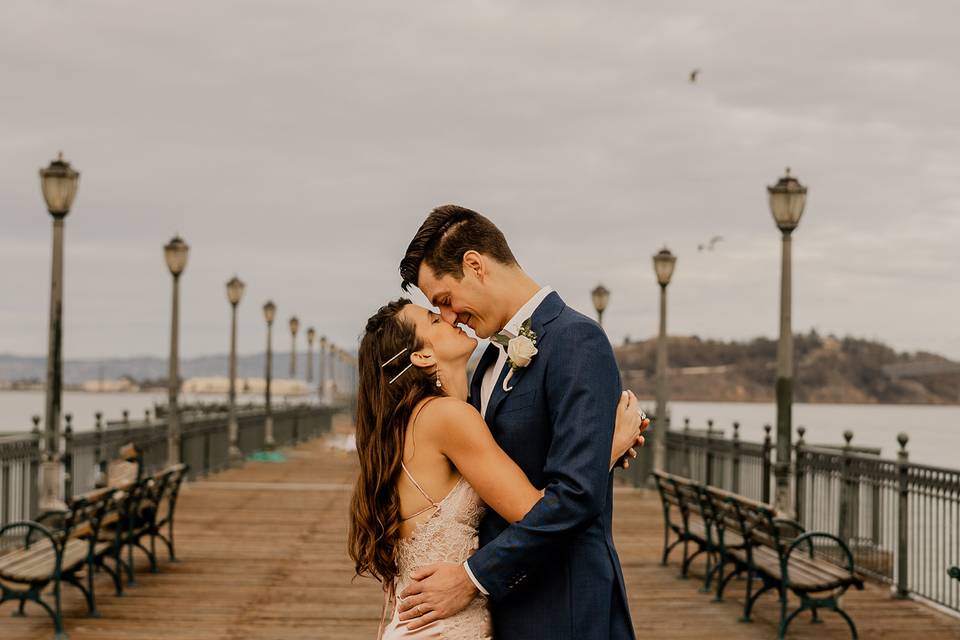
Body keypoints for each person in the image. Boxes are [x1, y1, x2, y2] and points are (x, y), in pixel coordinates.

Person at [392, 205, 640, 639]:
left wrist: (471, 577)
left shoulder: (575, 340)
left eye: (445, 300)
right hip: (502, 609)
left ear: (475, 265)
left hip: (561, 607)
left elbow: (576, 495)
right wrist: (605, 452)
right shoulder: (489, 358)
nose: (449, 317)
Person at [349, 297, 645, 639]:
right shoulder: (447, 417)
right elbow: (534, 512)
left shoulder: (416, 421)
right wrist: (604, 451)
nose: (449, 318)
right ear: (422, 356)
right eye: (434, 320)